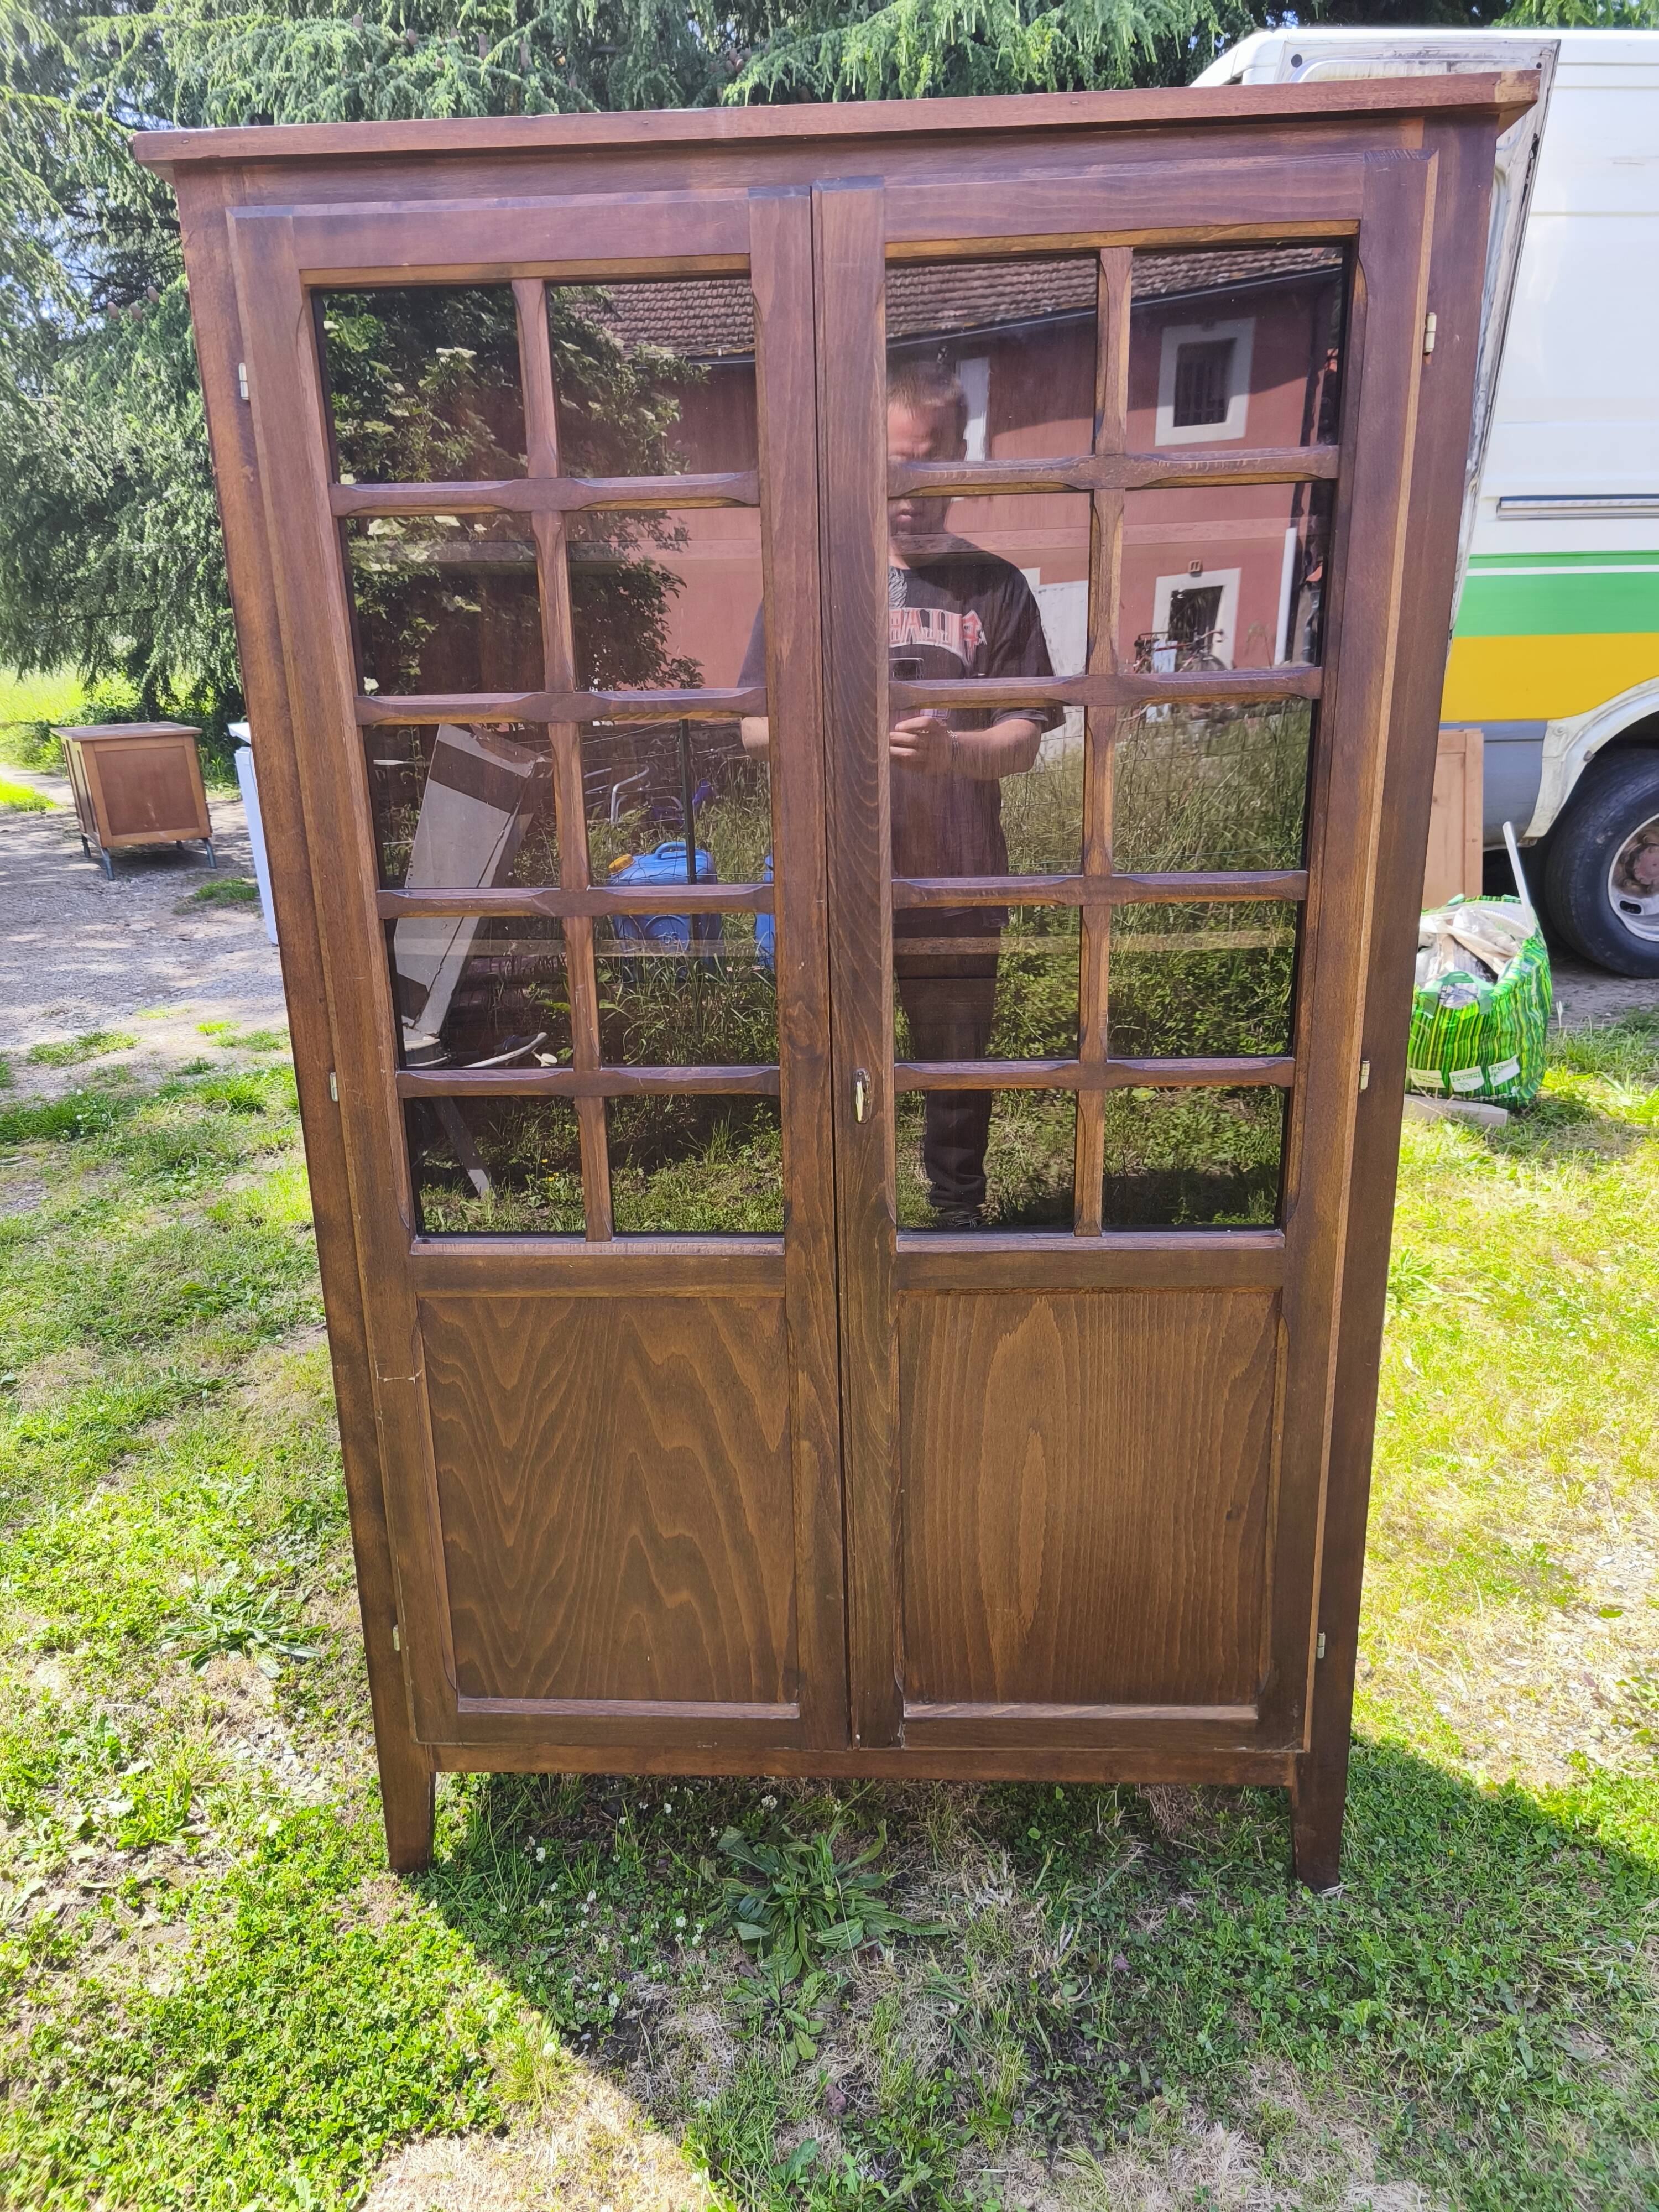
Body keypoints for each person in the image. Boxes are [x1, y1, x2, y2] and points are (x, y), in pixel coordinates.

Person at [741, 355, 1059, 1227]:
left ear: (957, 460)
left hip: (956, 885)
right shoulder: (809, 581)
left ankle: (956, 1220)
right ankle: (840, 1223)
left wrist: (952, 754)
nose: (907, 492)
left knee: (956, 1070)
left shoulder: (996, 588)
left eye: (925, 466)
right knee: (832, 1062)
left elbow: (1026, 737)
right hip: (840, 886)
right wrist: (839, 736)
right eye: (890, 467)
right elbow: (753, 728)